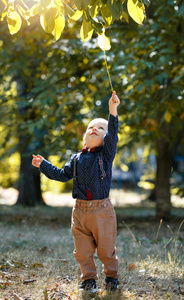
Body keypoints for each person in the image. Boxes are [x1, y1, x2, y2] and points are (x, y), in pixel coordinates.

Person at [32, 91, 120, 294]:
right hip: (79, 211)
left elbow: (113, 133)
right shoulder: (76, 158)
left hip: (102, 211)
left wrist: (112, 110)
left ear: (106, 140)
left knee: (106, 249)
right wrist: (43, 164)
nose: (94, 129)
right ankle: (88, 279)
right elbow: (61, 175)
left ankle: (111, 277)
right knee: (82, 251)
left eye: (100, 128)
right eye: (90, 127)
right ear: (84, 138)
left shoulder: (105, 155)